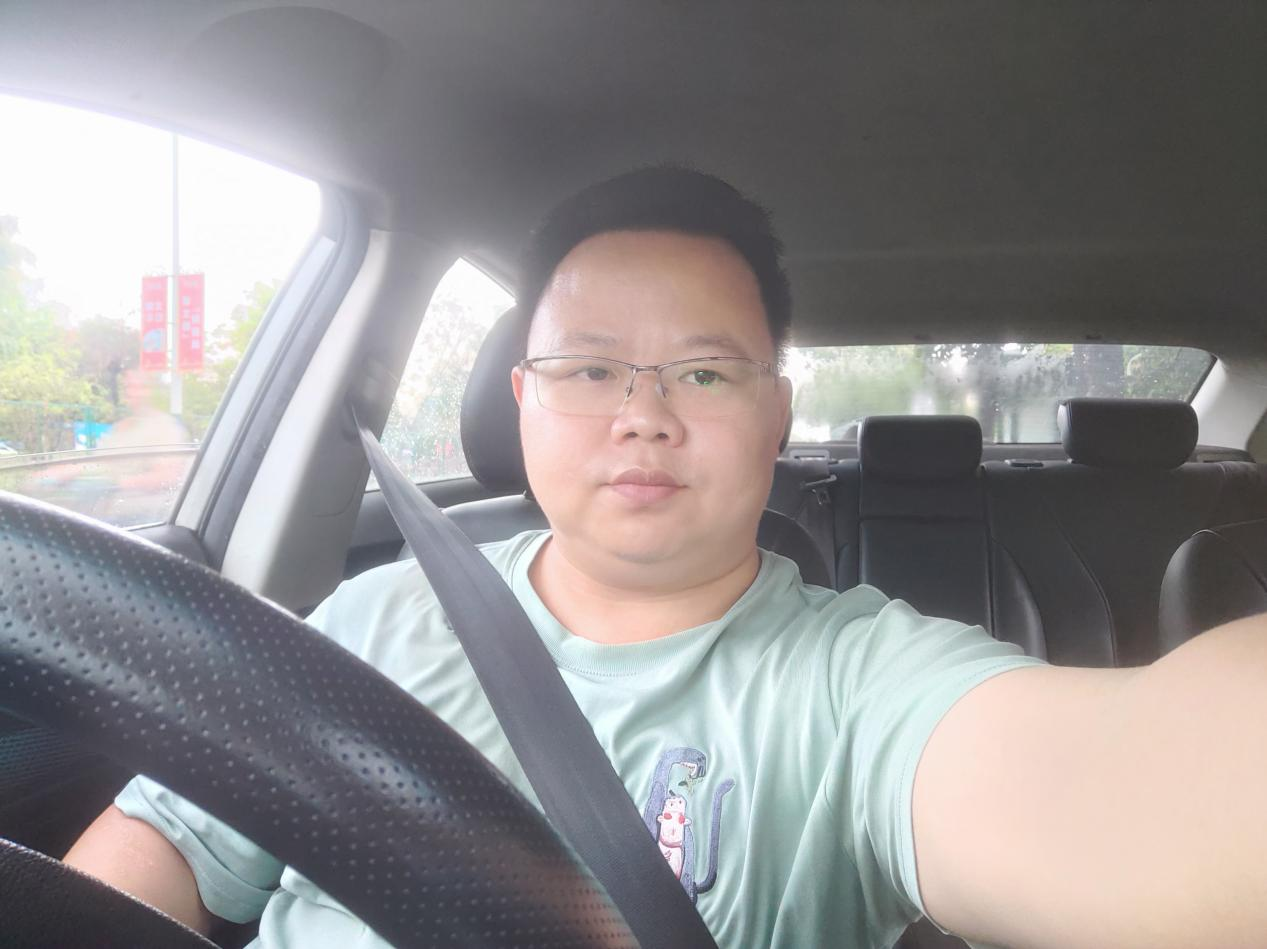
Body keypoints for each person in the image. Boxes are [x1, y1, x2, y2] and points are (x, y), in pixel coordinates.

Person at [65, 168, 1267, 948]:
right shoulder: (369, 622)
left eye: (702, 371)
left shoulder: (852, 686)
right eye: (590, 368)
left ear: (775, 414)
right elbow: (162, 848)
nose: (642, 415)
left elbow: (1140, 786)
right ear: (522, 401)